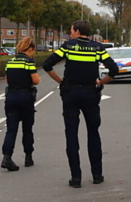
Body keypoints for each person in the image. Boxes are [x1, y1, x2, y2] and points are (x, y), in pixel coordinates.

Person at [42, 20, 118, 188]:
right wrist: (101, 82)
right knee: (93, 133)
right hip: (90, 94)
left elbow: (47, 64)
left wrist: (60, 81)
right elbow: (114, 69)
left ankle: (76, 178)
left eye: (71, 31)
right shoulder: (98, 48)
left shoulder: (68, 46)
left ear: (77, 31)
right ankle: (97, 175)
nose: (70, 34)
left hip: (70, 93)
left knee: (71, 134)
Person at [1, 37, 40, 172]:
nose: (33, 53)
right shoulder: (29, 62)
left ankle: (7, 157)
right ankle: (28, 157)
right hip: (25, 97)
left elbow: (7, 80)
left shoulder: (10, 62)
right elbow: (35, 81)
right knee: (27, 129)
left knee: (11, 129)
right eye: (33, 51)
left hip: (11, 97)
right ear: (30, 49)